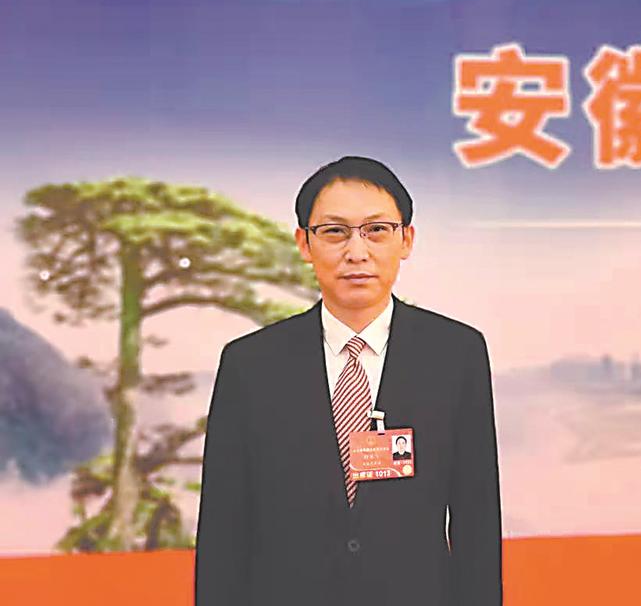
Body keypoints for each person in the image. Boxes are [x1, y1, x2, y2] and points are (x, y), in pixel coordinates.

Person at [194, 156, 502, 606]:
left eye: (376, 230)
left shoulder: (455, 354)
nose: (357, 252)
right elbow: (223, 527)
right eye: (335, 232)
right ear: (304, 243)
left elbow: (477, 517)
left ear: (406, 240)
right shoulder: (250, 364)